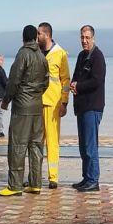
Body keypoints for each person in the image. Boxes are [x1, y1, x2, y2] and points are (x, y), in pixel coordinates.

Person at [0, 25, 48, 197]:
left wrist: (6, 100)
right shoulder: (42, 56)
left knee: (17, 145)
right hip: (37, 106)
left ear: (23, 38)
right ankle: (35, 183)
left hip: (22, 107)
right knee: (36, 145)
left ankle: (15, 186)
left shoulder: (22, 54)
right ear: (36, 37)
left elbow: (13, 81)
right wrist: (36, 95)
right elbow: (46, 82)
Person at [70, 25, 106, 192]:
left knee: (91, 146)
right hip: (82, 106)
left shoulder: (97, 56)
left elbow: (97, 81)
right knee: (83, 146)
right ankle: (86, 178)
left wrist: (79, 86)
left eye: (87, 37)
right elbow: (76, 76)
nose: (84, 41)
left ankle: (93, 180)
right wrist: (73, 85)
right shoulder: (81, 55)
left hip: (93, 107)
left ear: (93, 38)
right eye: (82, 38)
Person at [36, 22, 70, 189]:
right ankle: (34, 176)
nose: (37, 37)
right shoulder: (36, 52)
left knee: (52, 141)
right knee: (35, 142)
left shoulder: (60, 54)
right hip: (36, 102)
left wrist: (64, 102)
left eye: (39, 34)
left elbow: (65, 80)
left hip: (53, 103)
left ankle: (53, 177)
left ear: (47, 35)